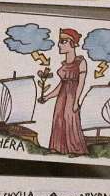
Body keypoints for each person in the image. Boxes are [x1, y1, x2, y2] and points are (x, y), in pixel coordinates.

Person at [38, 28, 89, 157]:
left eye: (63, 41)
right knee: (58, 117)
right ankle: (57, 147)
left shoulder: (80, 62)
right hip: (62, 96)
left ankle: (76, 149)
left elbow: (81, 83)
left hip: (72, 95)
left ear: (72, 43)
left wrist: (76, 101)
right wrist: (47, 97)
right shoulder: (64, 65)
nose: (59, 44)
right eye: (60, 41)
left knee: (69, 118)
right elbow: (61, 86)